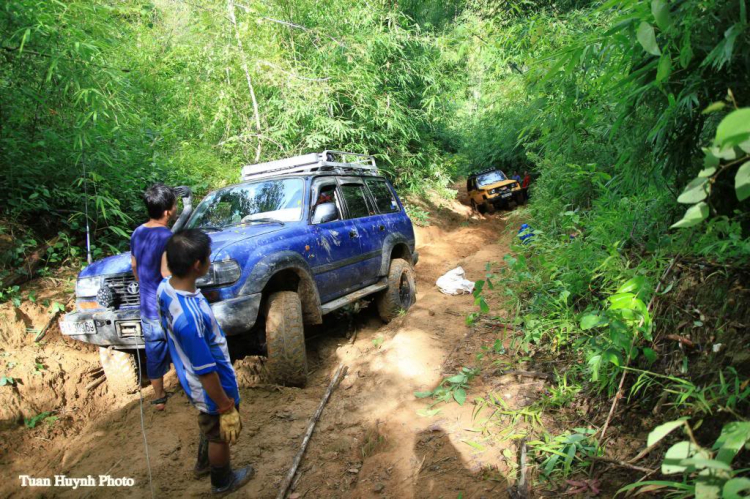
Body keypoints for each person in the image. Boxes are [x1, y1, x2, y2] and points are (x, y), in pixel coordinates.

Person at [157, 229, 254, 494]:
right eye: (208, 256)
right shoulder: (189, 321)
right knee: (219, 433)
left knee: (208, 422)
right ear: (198, 265)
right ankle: (222, 481)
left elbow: (167, 268)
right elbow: (206, 371)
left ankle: (203, 464)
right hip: (211, 383)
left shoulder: (166, 287)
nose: (210, 259)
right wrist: (225, 405)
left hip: (191, 375)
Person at [131, 183, 176, 410]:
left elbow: (135, 267)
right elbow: (167, 273)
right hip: (166, 309)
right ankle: (192, 389)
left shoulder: (138, 232)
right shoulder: (167, 236)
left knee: (154, 351)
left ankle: (159, 398)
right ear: (168, 211)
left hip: (147, 308)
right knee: (182, 347)